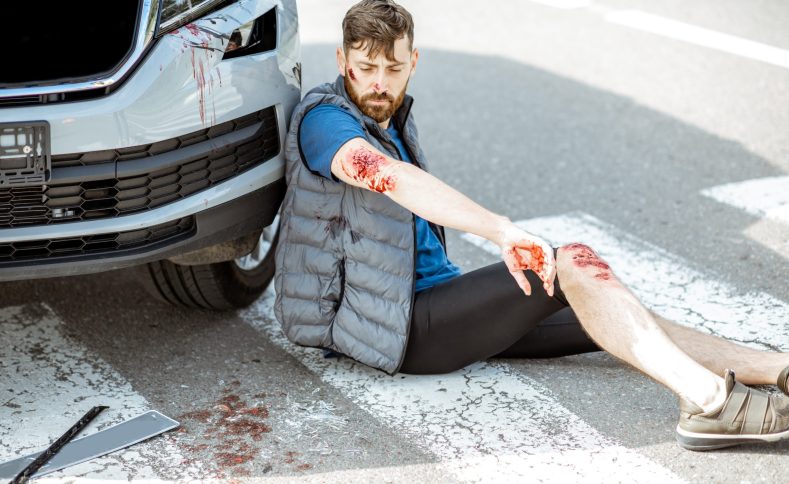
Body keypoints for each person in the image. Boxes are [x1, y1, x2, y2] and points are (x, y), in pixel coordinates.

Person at [273, 0, 789, 451]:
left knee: (612, 309)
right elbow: (385, 176)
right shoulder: (326, 120)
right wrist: (501, 230)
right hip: (400, 329)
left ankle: (777, 369)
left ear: (414, 63)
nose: (380, 83)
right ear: (342, 61)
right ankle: (710, 404)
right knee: (570, 263)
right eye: (366, 67)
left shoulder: (391, 116)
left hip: (435, 303)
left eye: (393, 67)